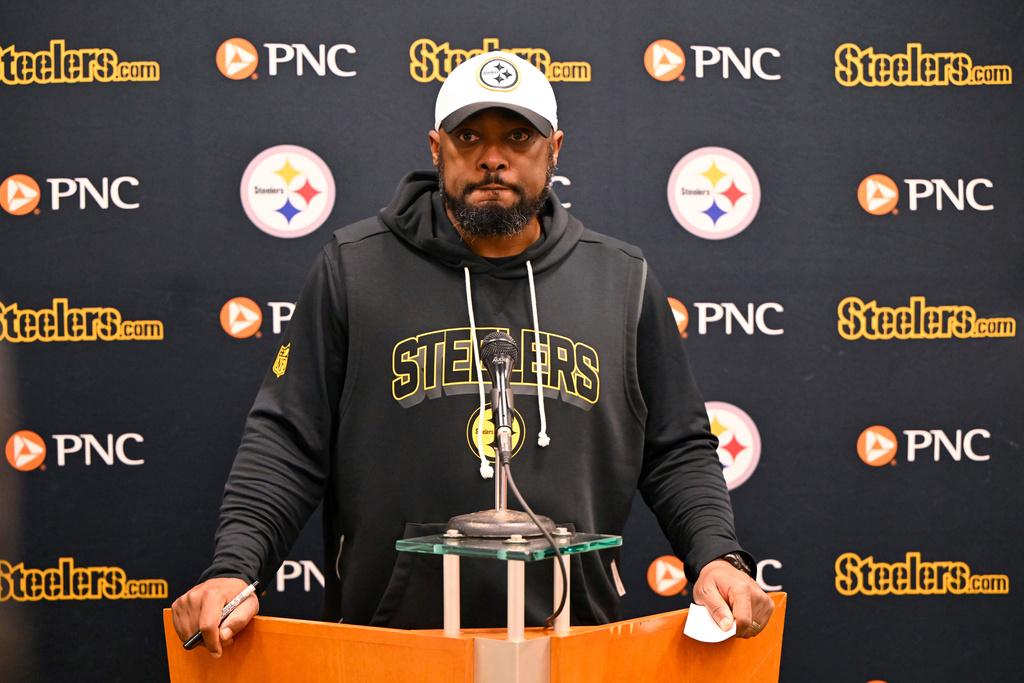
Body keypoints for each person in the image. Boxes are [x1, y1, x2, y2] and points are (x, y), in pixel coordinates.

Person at [172, 50, 773, 656]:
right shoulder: (354, 268)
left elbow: (676, 448)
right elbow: (287, 440)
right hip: (395, 647)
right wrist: (236, 566)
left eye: (518, 136)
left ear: (555, 149)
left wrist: (716, 555)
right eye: (468, 137)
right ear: (436, 149)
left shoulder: (621, 280)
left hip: (572, 644)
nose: (492, 157)